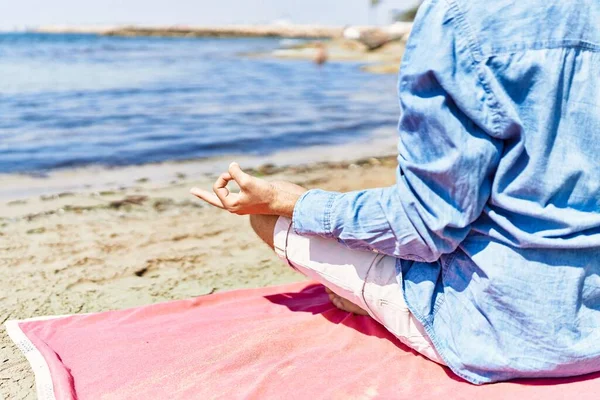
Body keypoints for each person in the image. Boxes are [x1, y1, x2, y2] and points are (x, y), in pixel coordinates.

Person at [191, 0, 600, 385]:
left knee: (268, 219)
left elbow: (426, 229)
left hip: (500, 333)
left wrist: (291, 200)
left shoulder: (460, 18)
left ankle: (368, 302)